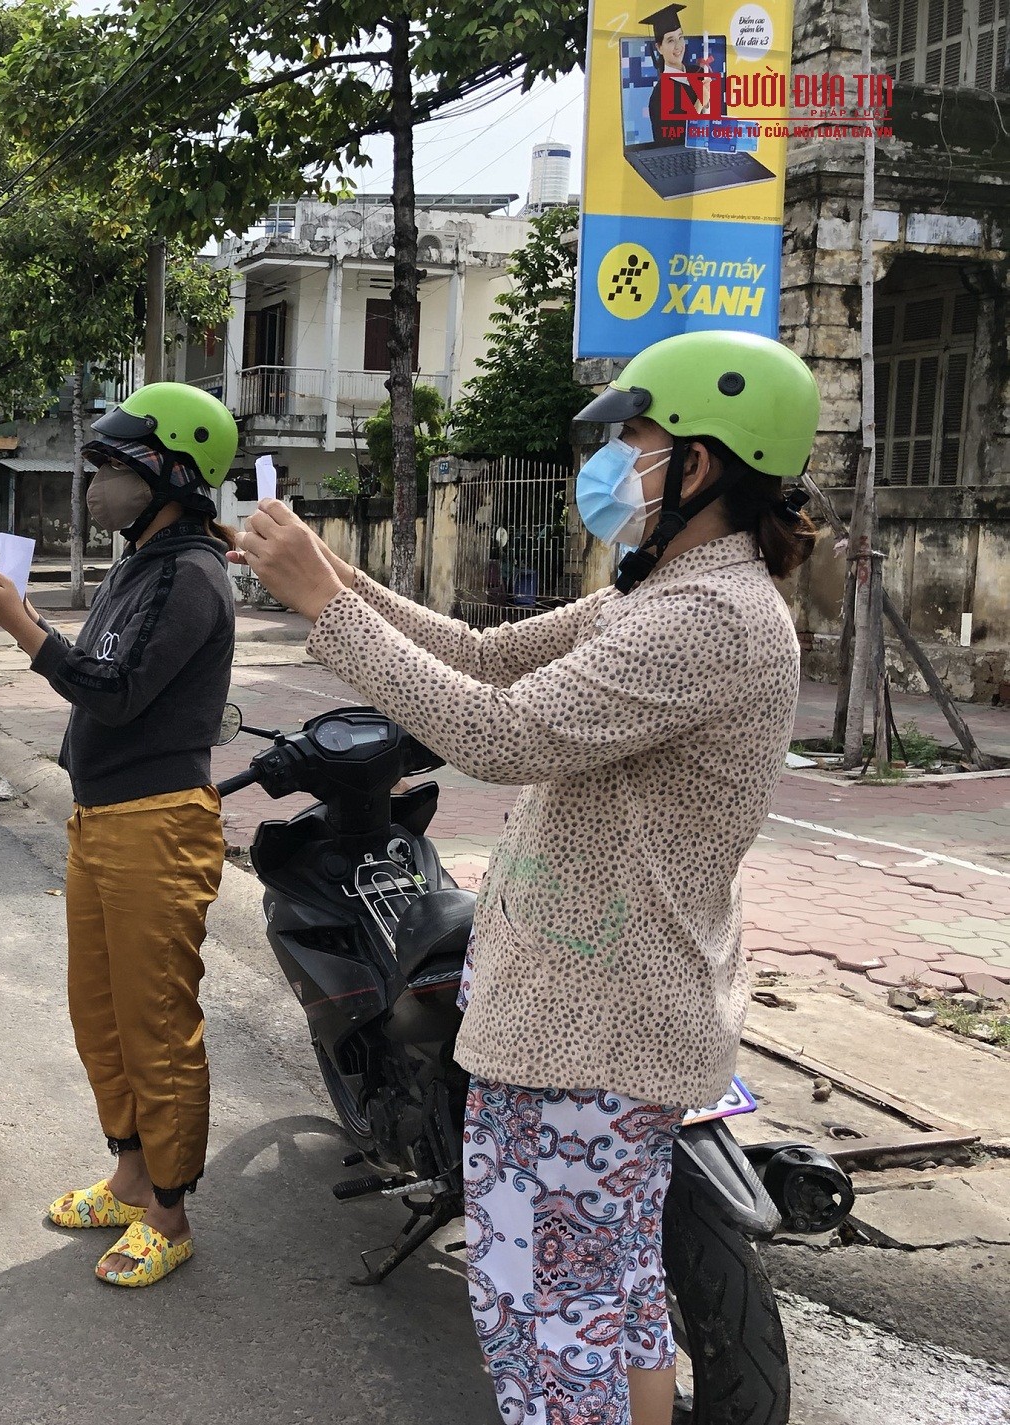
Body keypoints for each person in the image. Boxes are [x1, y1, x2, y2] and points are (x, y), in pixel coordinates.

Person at [234, 330, 820, 1425]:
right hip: (605, 1009)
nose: (614, 464)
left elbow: (498, 735)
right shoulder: (662, 598)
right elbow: (483, 655)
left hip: (585, 1031)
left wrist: (326, 606)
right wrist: (335, 579)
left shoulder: (705, 619)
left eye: (635, 441)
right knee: (614, 1297)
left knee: (548, 1319)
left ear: (699, 465)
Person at [0, 382, 238, 1288]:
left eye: (114, 468)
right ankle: (129, 1175)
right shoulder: (141, 563)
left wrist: (23, 628)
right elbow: (105, 671)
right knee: (102, 1012)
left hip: (158, 825)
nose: (95, 485)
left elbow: (114, 691)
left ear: (171, 476)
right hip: (102, 818)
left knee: (157, 1023)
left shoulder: (192, 574)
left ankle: (169, 1210)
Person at [643, 4, 711, 146]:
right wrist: (700, 103)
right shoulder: (659, 98)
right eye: (670, 40)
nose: (678, 46)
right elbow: (673, 149)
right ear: (659, 47)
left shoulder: (699, 73)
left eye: (680, 37)